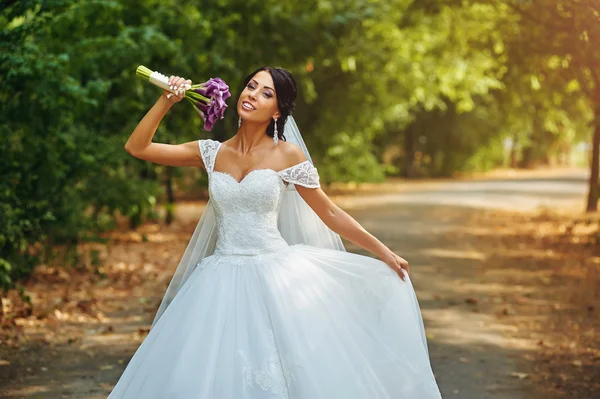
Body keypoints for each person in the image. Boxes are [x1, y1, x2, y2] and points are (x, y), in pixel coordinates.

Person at [108, 66, 442, 398]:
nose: (252, 94)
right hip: (218, 278)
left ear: (277, 110)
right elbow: (138, 147)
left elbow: (329, 211)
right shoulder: (210, 152)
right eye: (251, 86)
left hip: (277, 276)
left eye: (266, 93)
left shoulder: (288, 155)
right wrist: (167, 100)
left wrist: (384, 252)